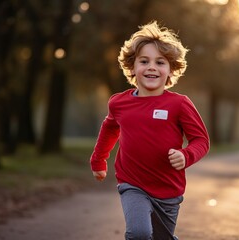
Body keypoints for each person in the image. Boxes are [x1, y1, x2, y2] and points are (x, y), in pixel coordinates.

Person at [90, 21, 210, 240]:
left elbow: (201, 140)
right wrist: (98, 160)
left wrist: (186, 155)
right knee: (140, 233)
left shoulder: (179, 104)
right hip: (132, 183)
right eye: (144, 61)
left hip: (168, 189)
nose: (152, 67)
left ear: (171, 69)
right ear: (132, 67)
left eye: (160, 62)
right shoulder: (119, 103)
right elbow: (109, 129)